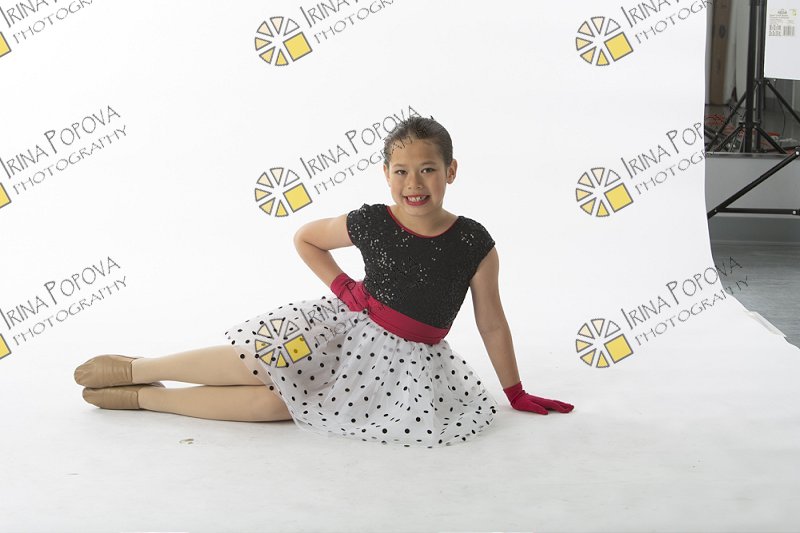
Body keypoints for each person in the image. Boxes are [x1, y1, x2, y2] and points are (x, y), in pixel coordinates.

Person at [74, 116, 574, 448]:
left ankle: (146, 397)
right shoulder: (373, 221)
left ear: (452, 171)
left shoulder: (473, 240)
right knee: (260, 361)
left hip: (398, 365)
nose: (414, 184)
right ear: (386, 173)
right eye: (401, 171)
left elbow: (492, 323)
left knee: (278, 404)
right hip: (341, 329)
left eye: (428, 169)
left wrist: (515, 391)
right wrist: (343, 287)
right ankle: (138, 367)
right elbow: (307, 238)